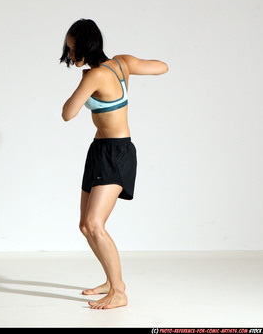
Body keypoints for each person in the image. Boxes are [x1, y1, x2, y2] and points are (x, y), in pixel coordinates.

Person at [60, 19, 168, 309]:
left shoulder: (92, 76)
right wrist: (133, 66)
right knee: (85, 225)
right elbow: (162, 66)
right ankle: (110, 280)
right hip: (100, 150)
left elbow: (67, 113)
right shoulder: (123, 63)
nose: (70, 55)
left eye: (72, 49)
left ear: (86, 46)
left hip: (116, 152)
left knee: (95, 224)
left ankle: (119, 292)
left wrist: (85, 82)